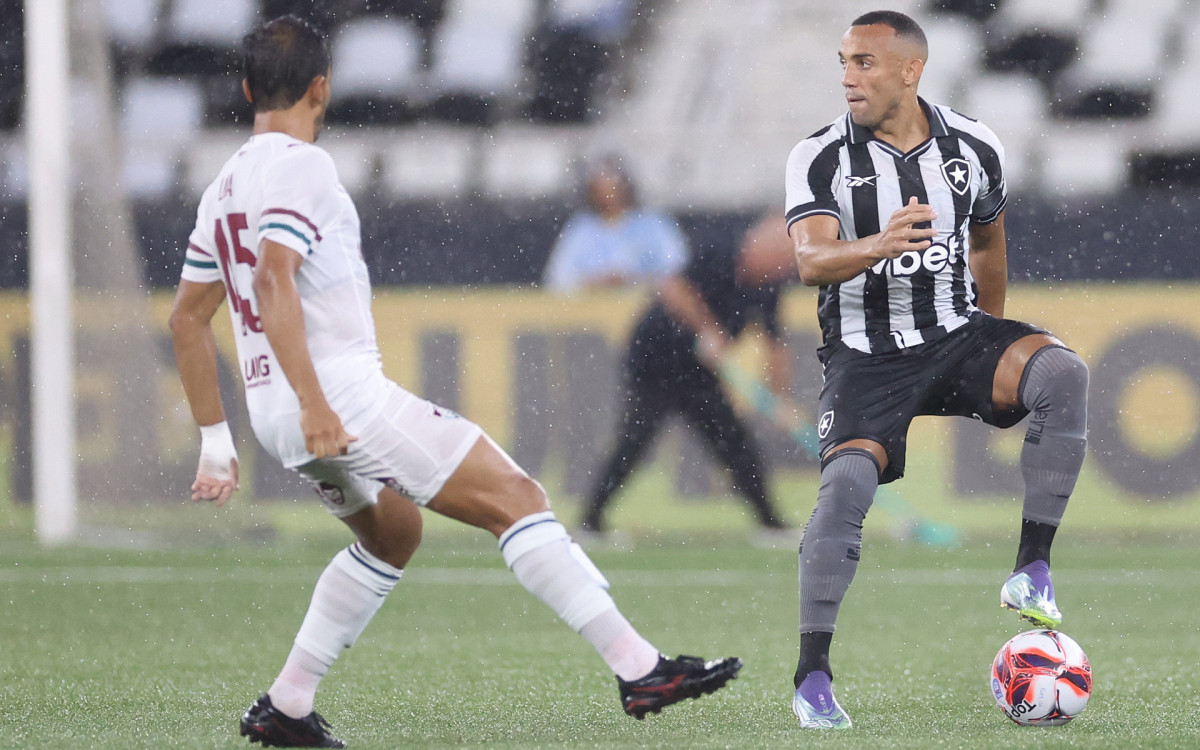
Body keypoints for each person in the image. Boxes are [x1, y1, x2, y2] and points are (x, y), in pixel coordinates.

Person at [168, 16, 741, 748]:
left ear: (246, 89)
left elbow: (189, 319)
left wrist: (217, 439)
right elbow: (275, 280)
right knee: (517, 499)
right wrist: (316, 404)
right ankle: (640, 669)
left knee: (394, 533)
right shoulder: (302, 167)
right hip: (334, 397)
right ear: (323, 87)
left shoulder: (220, 188)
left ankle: (286, 704)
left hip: (271, 407)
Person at [783, 10, 1089, 729]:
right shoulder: (822, 156)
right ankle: (812, 677)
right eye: (844, 61)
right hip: (866, 355)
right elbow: (809, 260)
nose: (848, 77)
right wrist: (877, 245)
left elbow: (988, 243)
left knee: (1063, 374)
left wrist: (992, 339)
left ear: (910, 71)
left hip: (956, 335)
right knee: (847, 484)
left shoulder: (973, 144)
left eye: (864, 63)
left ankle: (1031, 569)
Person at [578, 211, 795, 537]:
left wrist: (779, 399)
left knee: (735, 443)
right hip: (655, 361)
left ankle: (770, 524)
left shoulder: (769, 285)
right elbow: (672, 287)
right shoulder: (720, 252)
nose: (786, 266)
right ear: (760, 243)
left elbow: (774, 344)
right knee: (634, 441)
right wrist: (707, 329)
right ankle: (589, 522)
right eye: (784, 256)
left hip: (698, 374)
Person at [542, 154, 690, 294]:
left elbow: (677, 269)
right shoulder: (582, 228)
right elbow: (557, 279)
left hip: (646, 308)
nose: (609, 193)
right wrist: (595, 283)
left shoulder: (654, 222)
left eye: (613, 183)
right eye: (601, 184)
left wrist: (632, 280)